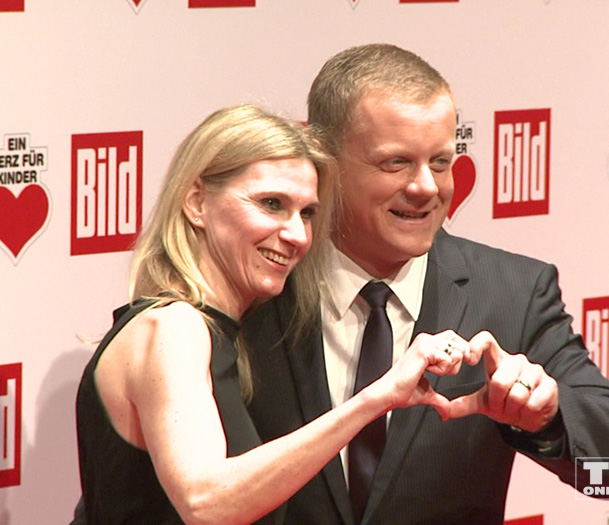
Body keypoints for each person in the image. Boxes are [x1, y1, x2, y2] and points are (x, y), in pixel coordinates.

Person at [241, 44, 609, 524]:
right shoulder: (252, 286)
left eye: (441, 162)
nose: (426, 187)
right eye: (395, 163)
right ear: (320, 155)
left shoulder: (512, 294)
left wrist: (548, 418)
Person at [74, 104, 478, 524]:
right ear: (196, 202)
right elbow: (204, 501)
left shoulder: (218, 334)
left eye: (307, 213)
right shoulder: (174, 327)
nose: (297, 235)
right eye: (271, 204)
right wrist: (377, 397)